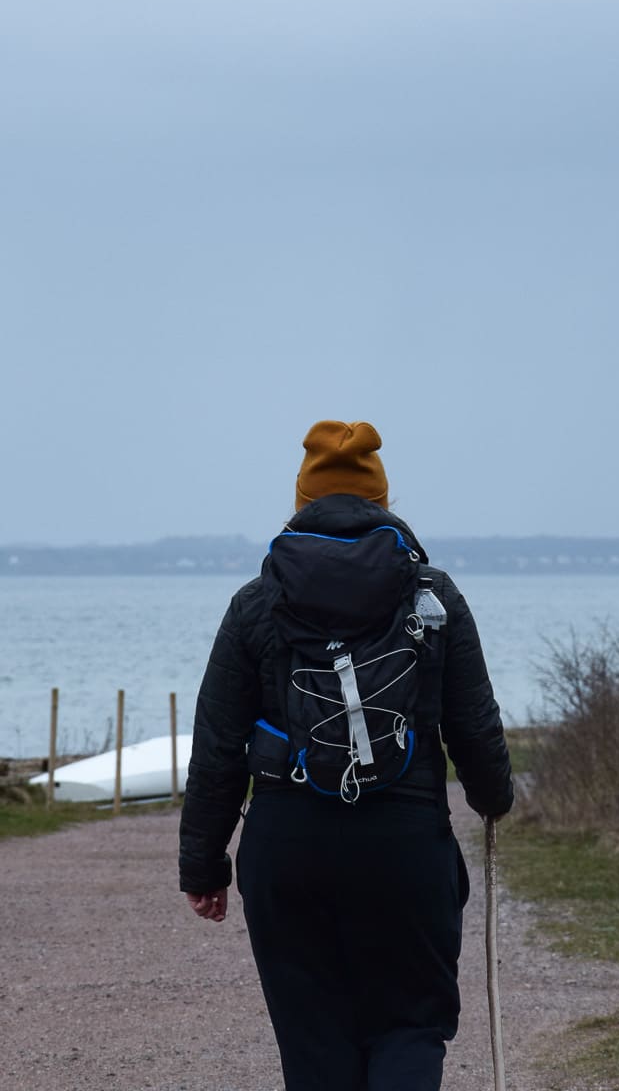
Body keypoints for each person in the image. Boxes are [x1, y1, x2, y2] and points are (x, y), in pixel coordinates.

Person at [179, 420, 513, 1091]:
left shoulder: (255, 603)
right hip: (404, 844)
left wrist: (203, 864)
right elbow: (473, 724)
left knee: (315, 1045)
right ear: (381, 502)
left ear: (301, 502)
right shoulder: (433, 597)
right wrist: (492, 798)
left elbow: (218, 744)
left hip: (288, 847)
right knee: (410, 1026)